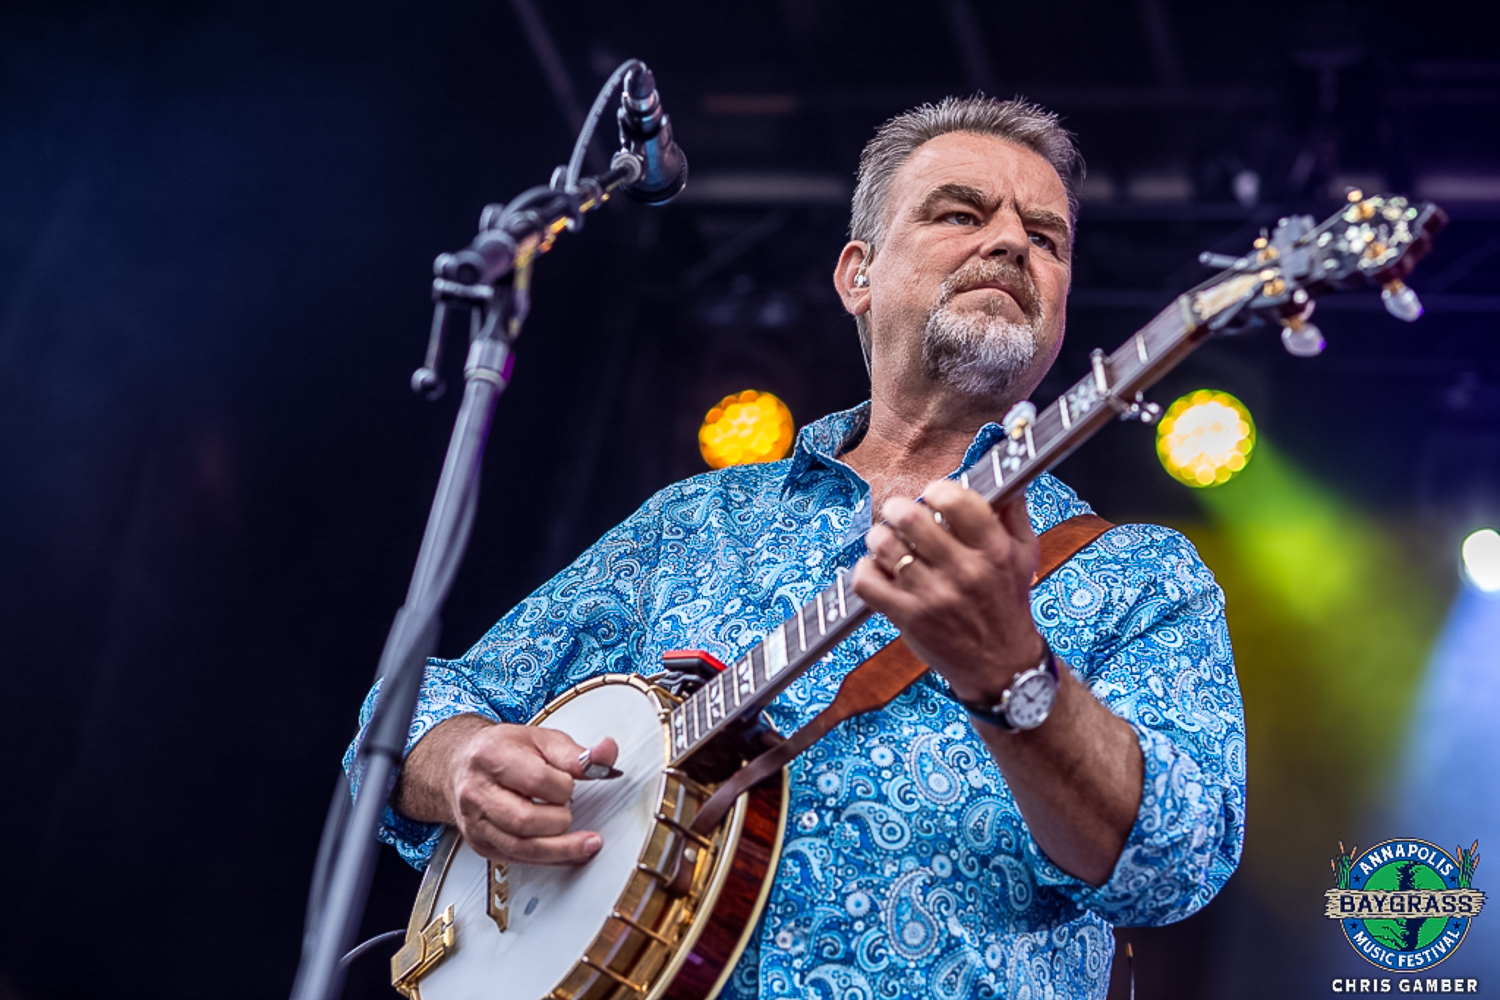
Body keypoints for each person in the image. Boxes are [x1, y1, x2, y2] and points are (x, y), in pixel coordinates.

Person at [346, 96, 1246, 999]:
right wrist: (460, 760)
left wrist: (1014, 675)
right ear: (858, 273)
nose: (1013, 243)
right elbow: (409, 714)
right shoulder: (699, 520)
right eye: (961, 213)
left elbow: (1177, 863)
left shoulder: (1139, 574)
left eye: (1047, 238)